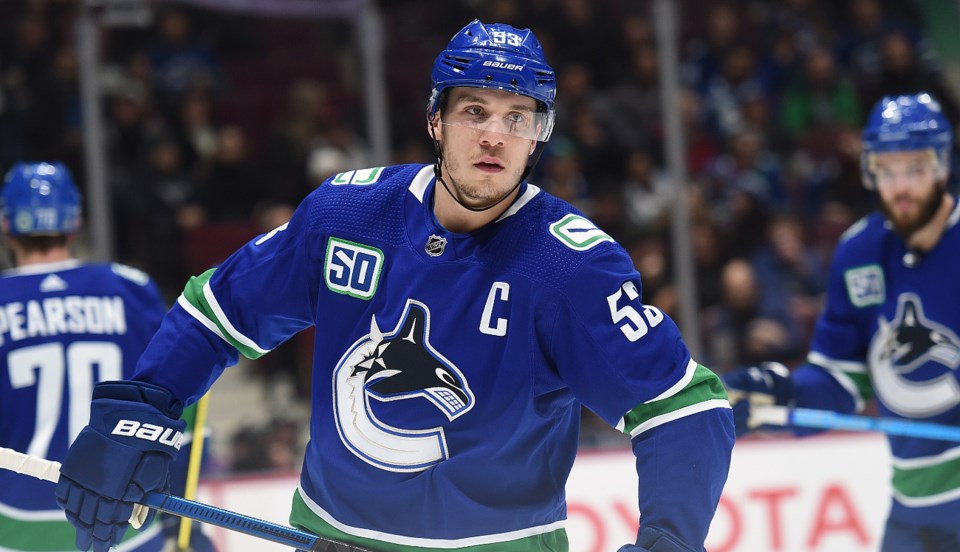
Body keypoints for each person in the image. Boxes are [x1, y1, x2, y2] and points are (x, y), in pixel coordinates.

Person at [55, 20, 735, 552]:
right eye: (475, 111)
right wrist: (140, 407)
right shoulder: (347, 212)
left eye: (517, 117)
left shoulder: (573, 265)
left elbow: (684, 409)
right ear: (436, 120)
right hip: (327, 541)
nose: (495, 136)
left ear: (539, 137)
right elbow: (219, 311)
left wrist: (669, 542)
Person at [724, 92, 960, 552]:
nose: (901, 187)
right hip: (915, 512)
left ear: (941, 165)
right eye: (887, 170)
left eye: (913, 168)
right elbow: (841, 382)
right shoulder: (859, 254)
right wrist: (780, 393)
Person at [0, 162, 212, 551]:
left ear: (7, 225)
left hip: (13, 527)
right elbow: (180, 400)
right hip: (122, 519)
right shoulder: (130, 289)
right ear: (75, 222)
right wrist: (184, 520)